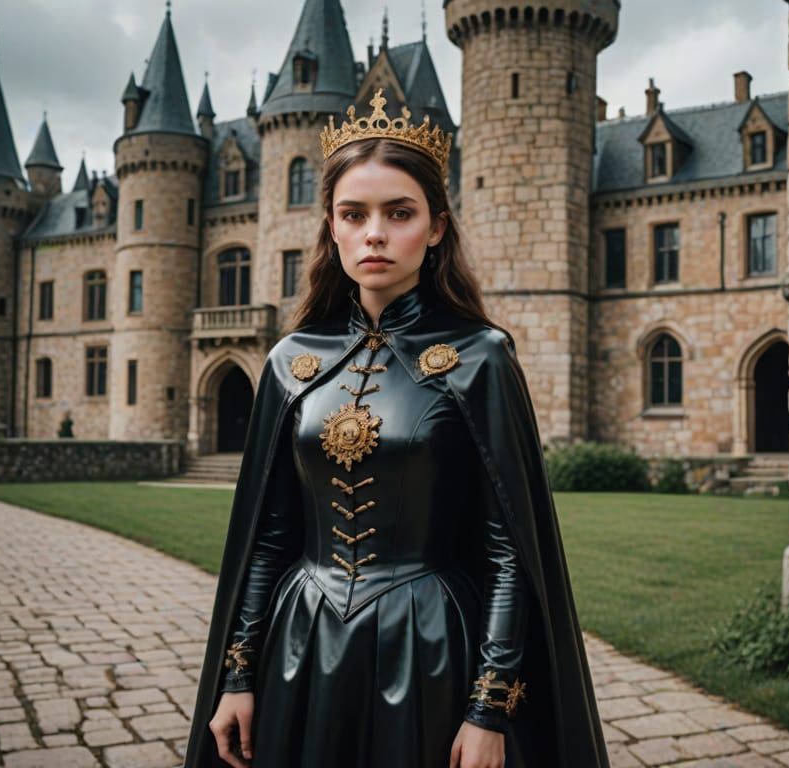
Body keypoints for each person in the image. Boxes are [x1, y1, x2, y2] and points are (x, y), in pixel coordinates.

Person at [181, 89, 609, 768]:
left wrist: (488, 708)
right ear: (331, 227)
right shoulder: (291, 363)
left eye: (398, 213)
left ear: (437, 227)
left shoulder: (481, 357)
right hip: (303, 643)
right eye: (354, 214)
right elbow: (268, 539)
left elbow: (508, 553)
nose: (374, 233)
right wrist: (237, 675)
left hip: (430, 644)